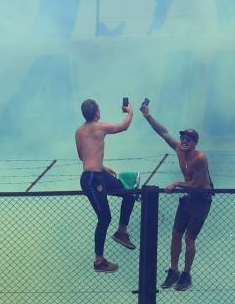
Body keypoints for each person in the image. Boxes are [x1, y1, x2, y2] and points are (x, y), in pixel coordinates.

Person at [139, 107, 213, 291]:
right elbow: (164, 133)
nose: (184, 141)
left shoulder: (200, 158)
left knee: (189, 238)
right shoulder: (179, 149)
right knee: (175, 233)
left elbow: (198, 185)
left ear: (195, 143)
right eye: (183, 138)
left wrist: (176, 184)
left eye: (189, 139)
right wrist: (148, 116)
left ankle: (186, 275)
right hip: (188, 198)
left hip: (202, 199)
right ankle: (174, 271)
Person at [75, 97, 136, 273]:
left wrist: (102, 167)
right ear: (96, 113)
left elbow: (83, 156)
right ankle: (99, 261)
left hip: (95, 174)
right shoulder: (100, 127)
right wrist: (130, 112)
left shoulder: (78, 132)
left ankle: (121, 232)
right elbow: (124, 126)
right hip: (92, 179)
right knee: (105, 217)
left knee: (129, 193)